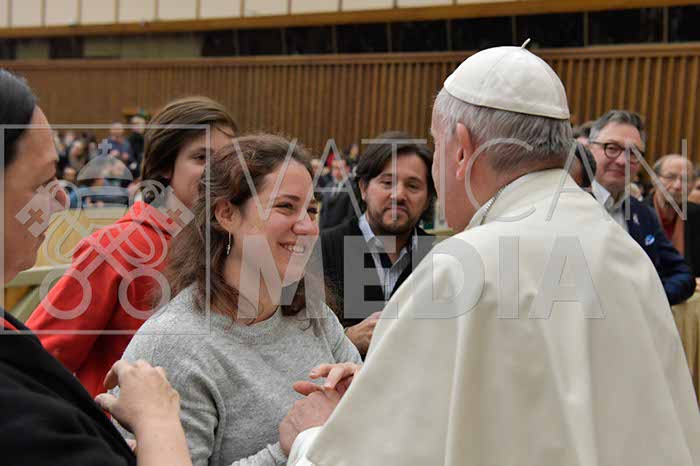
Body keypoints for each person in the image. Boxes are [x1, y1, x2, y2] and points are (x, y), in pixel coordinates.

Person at [280, 45, 700, 465]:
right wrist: (384, 378)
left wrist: (311, 438)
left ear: (462, 148)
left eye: (437, 144)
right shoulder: (622, 250)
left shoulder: (464, 267)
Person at [114, 134, 361, 466]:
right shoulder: (175, 344)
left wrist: (362, 389)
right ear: (226, 214)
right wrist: (289, 449)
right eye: (286, 206)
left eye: (312, 210)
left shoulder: (312, 314)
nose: (307, 227)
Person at [0, 68, 192, 466]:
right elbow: (54, 345)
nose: (61, 199)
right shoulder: (119, 247)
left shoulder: (218, 251)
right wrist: (157, 424)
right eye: (42, 182)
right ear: (166, 167)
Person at [27, 96, 238, 397]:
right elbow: (39, 357)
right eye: (201, 158)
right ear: (165, 166)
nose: (217, 171)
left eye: (227, 159)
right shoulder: (116, 248)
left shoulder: (233, 248)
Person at [321, 132, 435, 355]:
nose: (398, 195)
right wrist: (346, 340)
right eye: (387, 183)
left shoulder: (437, 259)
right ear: (363, 188)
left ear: (428, 199)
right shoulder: (322, 250)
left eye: (413, 186)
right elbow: (294, 343)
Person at [589, 110, 695, 305]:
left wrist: (647, 301)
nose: (622, 161)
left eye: (634, 153)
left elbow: (682, 274)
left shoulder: (643, 214)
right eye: (611, 148)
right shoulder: (566, 205)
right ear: (589, 149)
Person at [646, 155, 700, 285]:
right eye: (670, 177)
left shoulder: (697, 215)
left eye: (685, 180)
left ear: (693, 184)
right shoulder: (638, 213)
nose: (677, 186)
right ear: (655, 179)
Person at [319, 155, 355, 229]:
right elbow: (323, 211)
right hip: (324, 231)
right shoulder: (329, 185)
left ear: (347, 169)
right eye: (334, 168)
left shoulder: (353, 186)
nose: (336, 171)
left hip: (341, 232)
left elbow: (350, 216)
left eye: (339, 168)